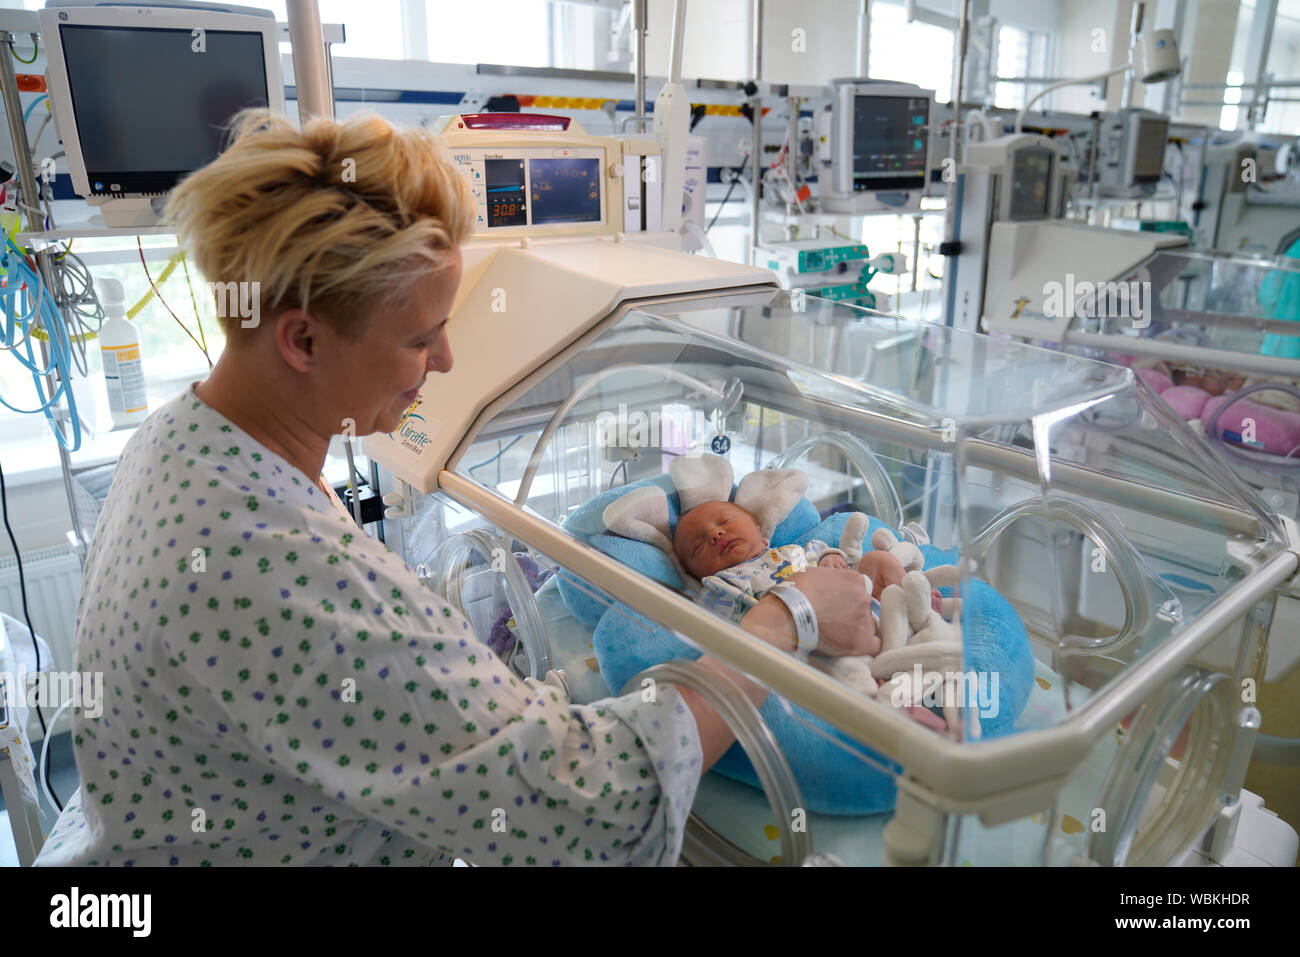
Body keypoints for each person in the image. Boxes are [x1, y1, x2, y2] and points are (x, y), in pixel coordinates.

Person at [35, 109, 876, 867]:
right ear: (301, 338)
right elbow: (591, 806)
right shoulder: (264, 564)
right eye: (422, 338)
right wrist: (785, 617)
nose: (444, 361)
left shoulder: (186, 438)